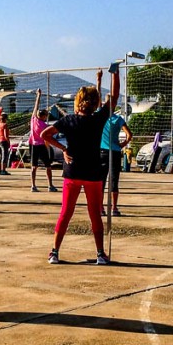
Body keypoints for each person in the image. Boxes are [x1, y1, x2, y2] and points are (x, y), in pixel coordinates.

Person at [41, 65, 120, 265]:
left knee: (66, 212)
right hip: (93, 173)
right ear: (95, 103)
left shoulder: (69, 120)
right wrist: (115, 74)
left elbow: (45, 135)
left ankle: (54, 252)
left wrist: (63, 148)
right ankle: (100, 254)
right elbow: (115, 97)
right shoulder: (98, 119)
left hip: (73, 171)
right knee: (95, 215)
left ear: (78, 102)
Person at [100, 101, 132, 216]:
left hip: (102, 151)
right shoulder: (118, 119)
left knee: (101, 180)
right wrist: (122, 144)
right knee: (114, 180)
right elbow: (129, 135)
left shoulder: (100, 118)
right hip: (115, 152)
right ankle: (114, 207)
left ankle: (100, 208)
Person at [28, 89, 57, 193]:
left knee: (34, 166)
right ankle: (50, 185)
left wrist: (38, 96)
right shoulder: (45, 126)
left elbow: (36, 106)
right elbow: (49, 135)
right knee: (48, 166)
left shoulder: (33, 119)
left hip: (33, 145)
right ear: (44, 116)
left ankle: (33, 185)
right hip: (41, 146)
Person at [0, 101, 11, 176]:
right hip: (3, 141)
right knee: (4, 156)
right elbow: (5, 135)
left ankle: (0, 170)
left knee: (0, 156)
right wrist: (8, 142)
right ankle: (3, 170)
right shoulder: (5, 125)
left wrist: (0, 110)